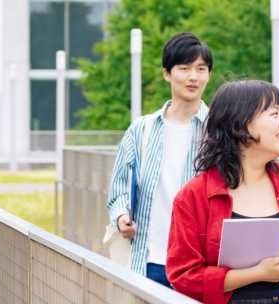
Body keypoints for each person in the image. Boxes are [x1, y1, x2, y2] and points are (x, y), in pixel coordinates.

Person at [166, 80, 279, 304]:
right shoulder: (194, 195)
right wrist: (255, 274)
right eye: (274, 114)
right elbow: (183, 277)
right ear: (241, 123)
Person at [105, 32, 212, 287]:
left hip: (200, 264)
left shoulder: (218, 131)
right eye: (184, 68)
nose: (193, 77)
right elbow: (118, 189)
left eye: (201, 69)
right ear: (167, 73)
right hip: (148, 261)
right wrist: (122, 218)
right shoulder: (142, 129)